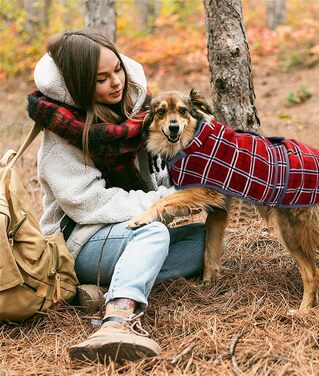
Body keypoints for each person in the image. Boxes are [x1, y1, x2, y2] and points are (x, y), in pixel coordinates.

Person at [27, 30, 206, 363]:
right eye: (101, 79)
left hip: (126, 233)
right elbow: (89, 204)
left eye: (118, 70)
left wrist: (191, 178)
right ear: (80, 85)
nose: (116, 82)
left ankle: (104, 286)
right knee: (152, 231)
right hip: (78, 240)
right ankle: (117, 320)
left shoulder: (137, 113)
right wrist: (165, 203)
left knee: (206, 242)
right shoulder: (61, 135)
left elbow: (156, 175)